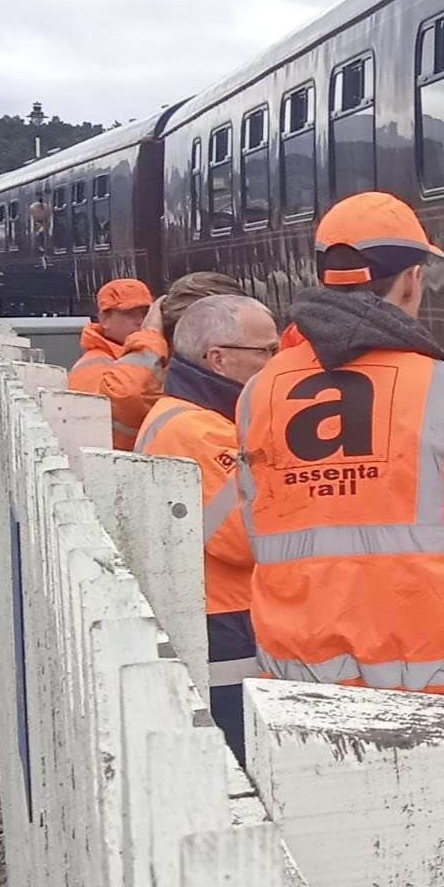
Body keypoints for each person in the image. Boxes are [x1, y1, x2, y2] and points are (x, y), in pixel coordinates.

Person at [236, 191, 444, 700]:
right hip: (443, 675)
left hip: (304, 675)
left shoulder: (258, 391)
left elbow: (256, 523)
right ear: (413, 277)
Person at [133, 293, 279, 763]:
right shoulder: (197, 433)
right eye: (267, 353)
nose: (276, 365)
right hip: (228, 624)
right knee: (243, 757)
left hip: (223, 617)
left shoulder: (192, 419)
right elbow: (243, 538)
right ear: (218, 358)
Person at [70, 277, 166, 448]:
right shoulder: (92, 365)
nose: (140, 321)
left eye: (145, 314)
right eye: (130, 314)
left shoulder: (143, 354)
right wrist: (150, 335)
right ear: (104, 318)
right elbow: (127, 398)